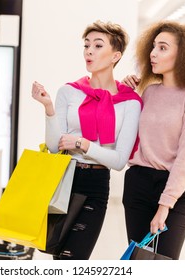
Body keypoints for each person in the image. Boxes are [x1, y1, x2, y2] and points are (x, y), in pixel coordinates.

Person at [32, 20, 143, 260]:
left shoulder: (129, 102)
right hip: (64, 179)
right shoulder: (68, 91)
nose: (89, 51)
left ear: (116, 55)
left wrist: (82, 143)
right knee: (58, 257)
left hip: (96, 186)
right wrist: (49, 108)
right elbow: (54, 146)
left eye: (97, 45)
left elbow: (119, 160)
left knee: (75, 258)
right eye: (86, 45)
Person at [121, 21, 185, 260]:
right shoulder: (149, 92)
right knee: (139, 261)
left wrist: (164, 205)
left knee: (165, 262)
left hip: (174, 190)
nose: (153, 53)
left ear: (183, 55)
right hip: (138, 183)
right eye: (153, 46)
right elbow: (127, 139)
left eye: (162, 48)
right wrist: (124, 96)